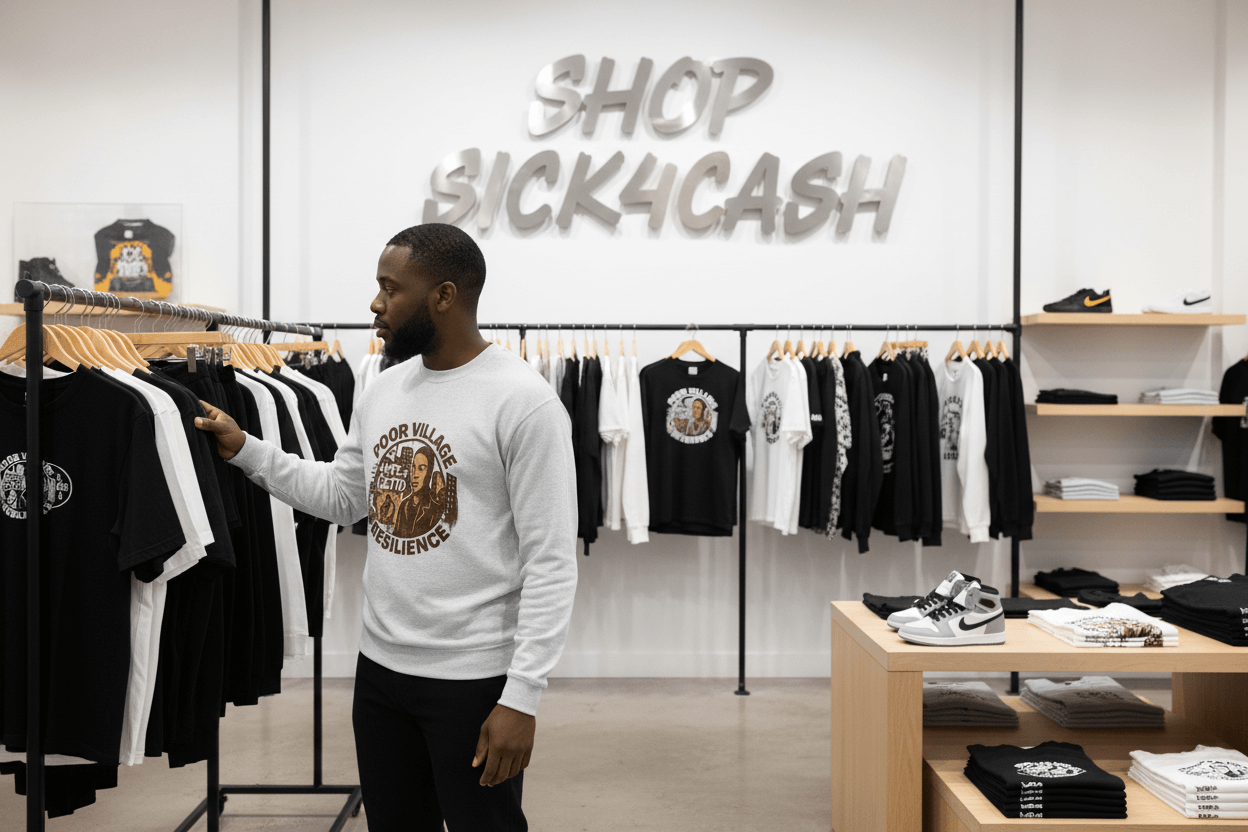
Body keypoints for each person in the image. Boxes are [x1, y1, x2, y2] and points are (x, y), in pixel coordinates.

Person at [195, 223, 578, 832]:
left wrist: (522, 696)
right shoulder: (384, 387)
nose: (375, 304)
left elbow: (551, 561)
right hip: (380, 672)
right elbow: (346, 497)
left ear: (444, 296)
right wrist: (246, 450)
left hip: (472, 679)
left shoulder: (522, 402)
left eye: (389, 288)